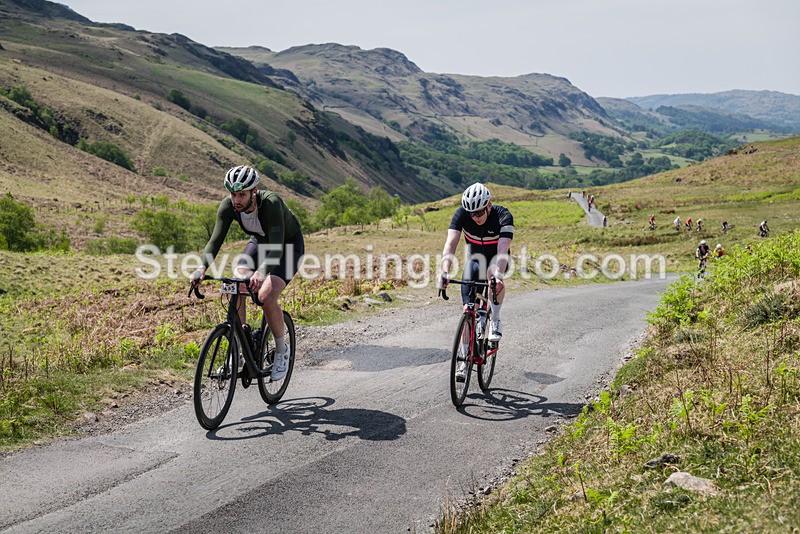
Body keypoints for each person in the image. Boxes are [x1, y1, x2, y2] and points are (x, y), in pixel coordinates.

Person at [190, 165, 304, 381]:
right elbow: (215, 241)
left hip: (287, 246)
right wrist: (201, 268)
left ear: (254, 191)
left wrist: (261, 273)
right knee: (235, 282)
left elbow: (277, 249)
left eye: (242, 194)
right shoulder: (228, 206)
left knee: (266, 297)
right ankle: (240, 351)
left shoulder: (271, 203)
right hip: (260, 242)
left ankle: (282, 351)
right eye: (233, 194)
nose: (236, 200)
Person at [440, 183, 513, 382]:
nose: (475, 217)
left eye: (479, 212)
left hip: (497, 259)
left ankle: (495, 320)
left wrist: (498, 275)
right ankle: (464, 360)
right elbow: (451, 243)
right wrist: (445, 271)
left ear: (488, 205)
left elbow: (503, 249)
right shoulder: (461, 215)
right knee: (468, 309)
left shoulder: (503, 216)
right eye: (471, 213)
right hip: (474, 260)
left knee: (491, 274)